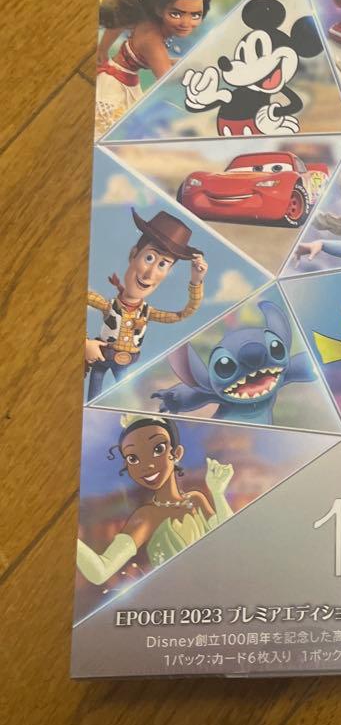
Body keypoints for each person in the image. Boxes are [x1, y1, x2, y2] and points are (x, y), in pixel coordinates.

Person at [75, 415, 234, 582]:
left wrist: (218, 493)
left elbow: (231, 538)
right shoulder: (146, 517)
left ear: (176, 453)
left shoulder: (196, 500)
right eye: (133, 458)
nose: (147, 465)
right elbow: (101, 572)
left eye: (158, 449)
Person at [85, 210, 208, 400]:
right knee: (93, 397)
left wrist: (196, 281)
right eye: (149, 258)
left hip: (126, 365)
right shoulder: (108, 305)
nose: (149, 274)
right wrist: (85, 343)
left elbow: (184, 314)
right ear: (134, 255)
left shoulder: (148, 312)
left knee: (126, 401)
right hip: (101, 358)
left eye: (162, 265)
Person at [95, 0, 211, 136]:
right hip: (116, 86)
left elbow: (119, 26)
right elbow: (166, 79)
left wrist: (102, 49)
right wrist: (193, 73)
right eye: (176, 14)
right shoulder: (152, 39)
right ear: (159, 9)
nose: (186, 23)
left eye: (195, 15)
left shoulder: (146, 20)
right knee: (108, 130)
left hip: (126, 80)